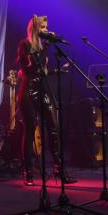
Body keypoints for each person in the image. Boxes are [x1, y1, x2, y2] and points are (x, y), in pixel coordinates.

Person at [16, 14, 76, 186]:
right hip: (28, 91)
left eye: (46, 27)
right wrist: (46, 46)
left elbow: (43, 71)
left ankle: (59, 169)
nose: (46, 30)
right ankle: (27, 172)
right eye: (42, 27)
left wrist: (59, 71)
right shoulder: (25, 44)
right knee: (30, 130)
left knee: (54, 128)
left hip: (43, 89)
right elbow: (31, 68)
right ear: (35, 28)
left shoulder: (43, 47)